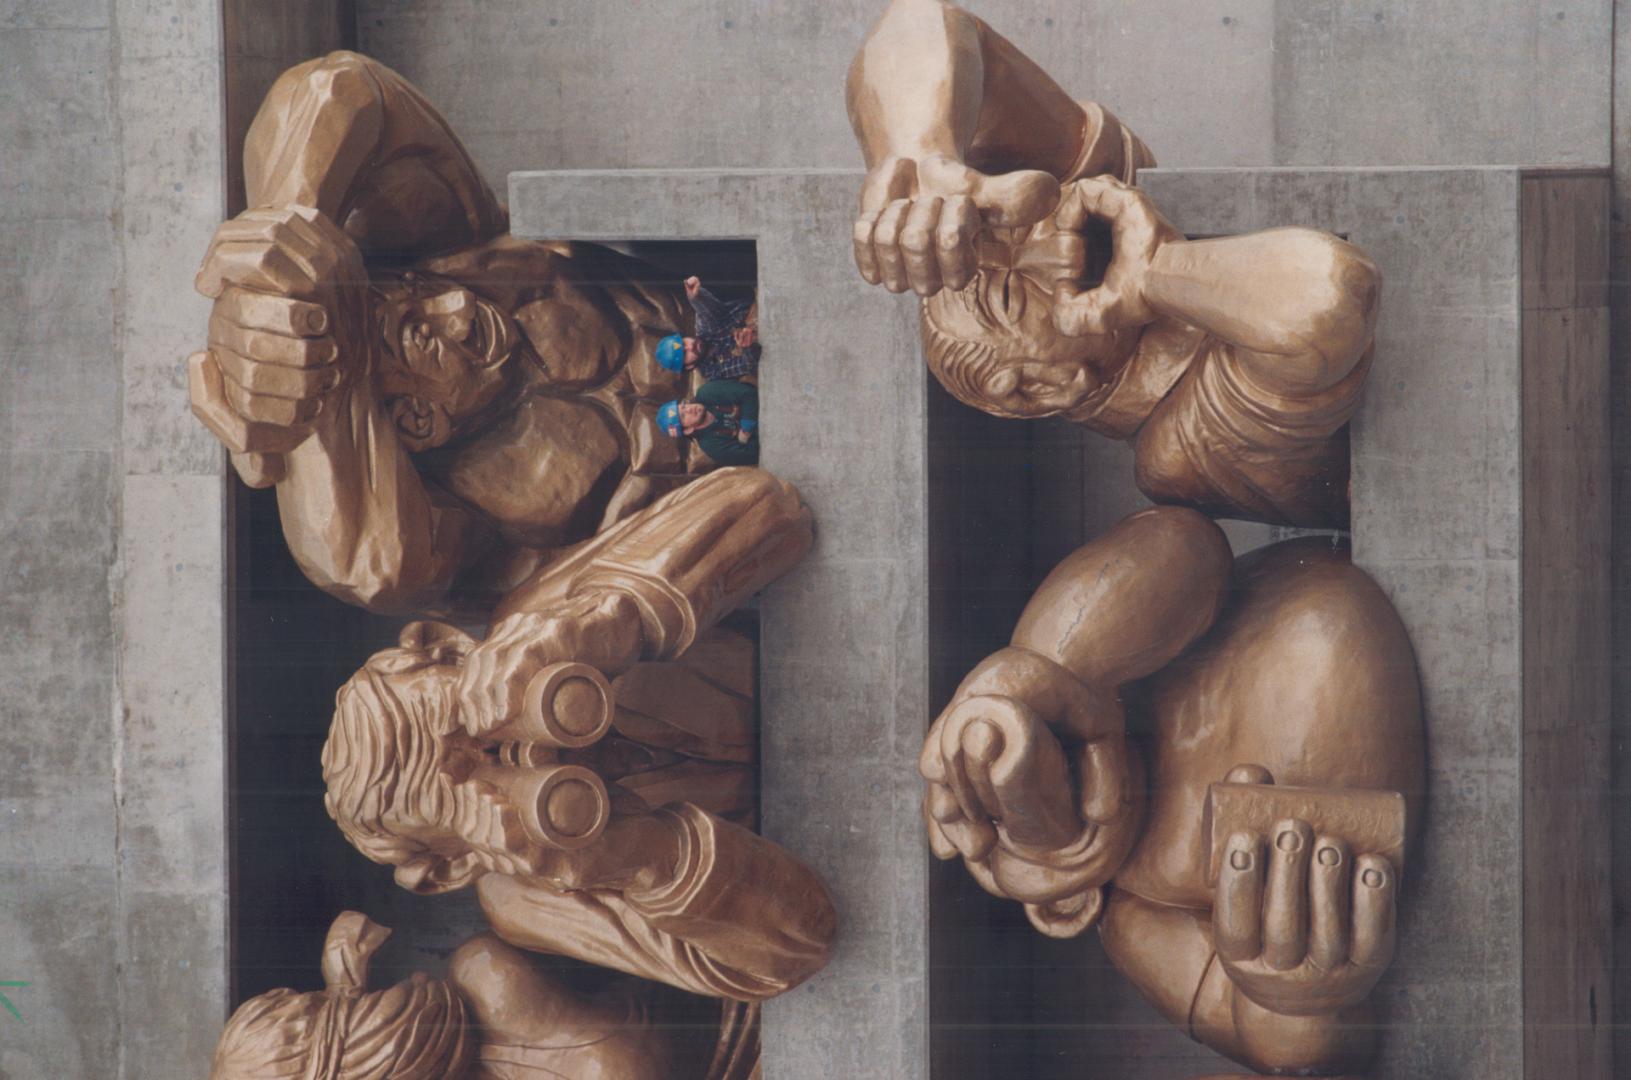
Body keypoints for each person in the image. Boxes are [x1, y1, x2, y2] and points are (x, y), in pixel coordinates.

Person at [189, 51, 712, 618]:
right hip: (746, 513)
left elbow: (336, 88)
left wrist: (289, 235)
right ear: (416, 419)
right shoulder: (458, 508)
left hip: (743, 317)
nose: (458, 307)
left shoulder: (457, 249)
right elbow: (372, 569)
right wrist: (312, 413)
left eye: (416, 292)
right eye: (417, 335)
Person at [847, 0, 1378, 529]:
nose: (1045, 248)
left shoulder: (1082, 203)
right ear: (1045, 385)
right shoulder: (1183, 441)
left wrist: (918, 157)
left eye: (1007, 235)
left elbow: (924, 18)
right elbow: (1333, 298)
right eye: (1012, 296)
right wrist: (1153, 272)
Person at [209, 911, 763, 1079]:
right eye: (320, 1012)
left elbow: (425, 1025)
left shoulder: (483, 978)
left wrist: (345, 991)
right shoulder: (483, 976)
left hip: (736, 981)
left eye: (314, 1004)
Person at [656, 276, 761, 382]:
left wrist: (696, 297)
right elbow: (748, 366)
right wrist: (747, 347)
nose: (690, 346)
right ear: (689, 366)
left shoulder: (704, 330)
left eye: (684, 343)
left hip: (760, 307)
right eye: (685, 353)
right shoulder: (712, 371)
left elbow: (708, 314)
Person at [657, 380, 759, 467]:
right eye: (683, 416)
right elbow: (754, 455)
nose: (689, 409)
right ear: (688, 430)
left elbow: (748, 393)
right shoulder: (712, 446)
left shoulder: (707, 393)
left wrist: (746, 428)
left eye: (683, 406)